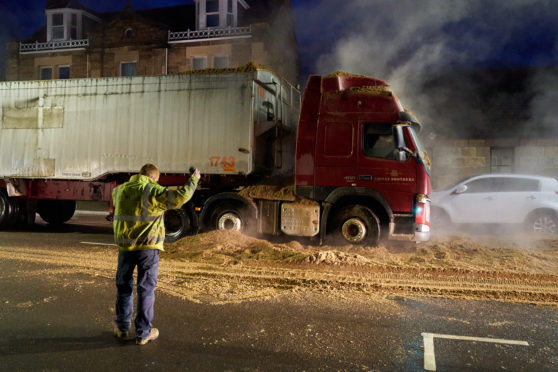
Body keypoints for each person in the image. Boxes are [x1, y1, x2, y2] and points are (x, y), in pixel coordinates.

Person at [112, 163, 200, 345]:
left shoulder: (119, 190)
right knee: (145, 289)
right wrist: (194, 180)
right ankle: (143, 333)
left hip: (125, 248)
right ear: (153, 178)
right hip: (147, 248)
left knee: (124, 286)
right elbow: (180, 197)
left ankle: (121, 328)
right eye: (157, 180)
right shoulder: (152, 190)